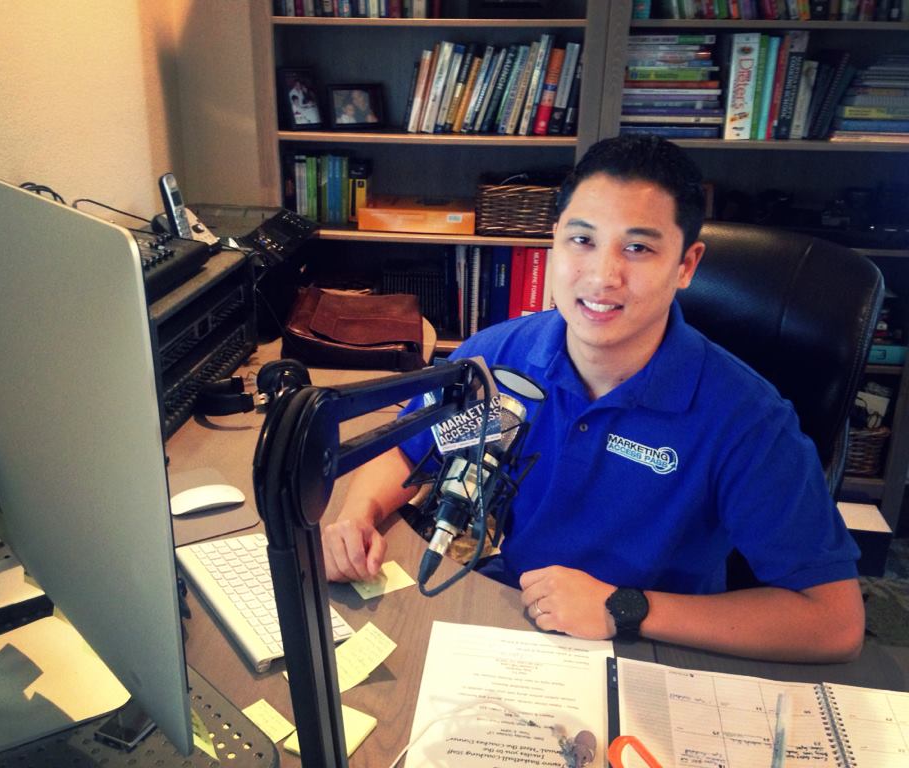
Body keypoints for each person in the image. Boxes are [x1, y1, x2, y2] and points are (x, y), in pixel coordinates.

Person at [322, 134, 865, 663]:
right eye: (582, 240)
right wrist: (357, 514)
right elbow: (411, 450)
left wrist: (623, 609)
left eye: (638, 247)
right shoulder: (495, 357)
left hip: (643, 652)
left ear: (686, 265)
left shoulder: (747, 420)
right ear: (554, 240)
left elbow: (833, 622)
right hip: (495, 620)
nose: (602, 276)